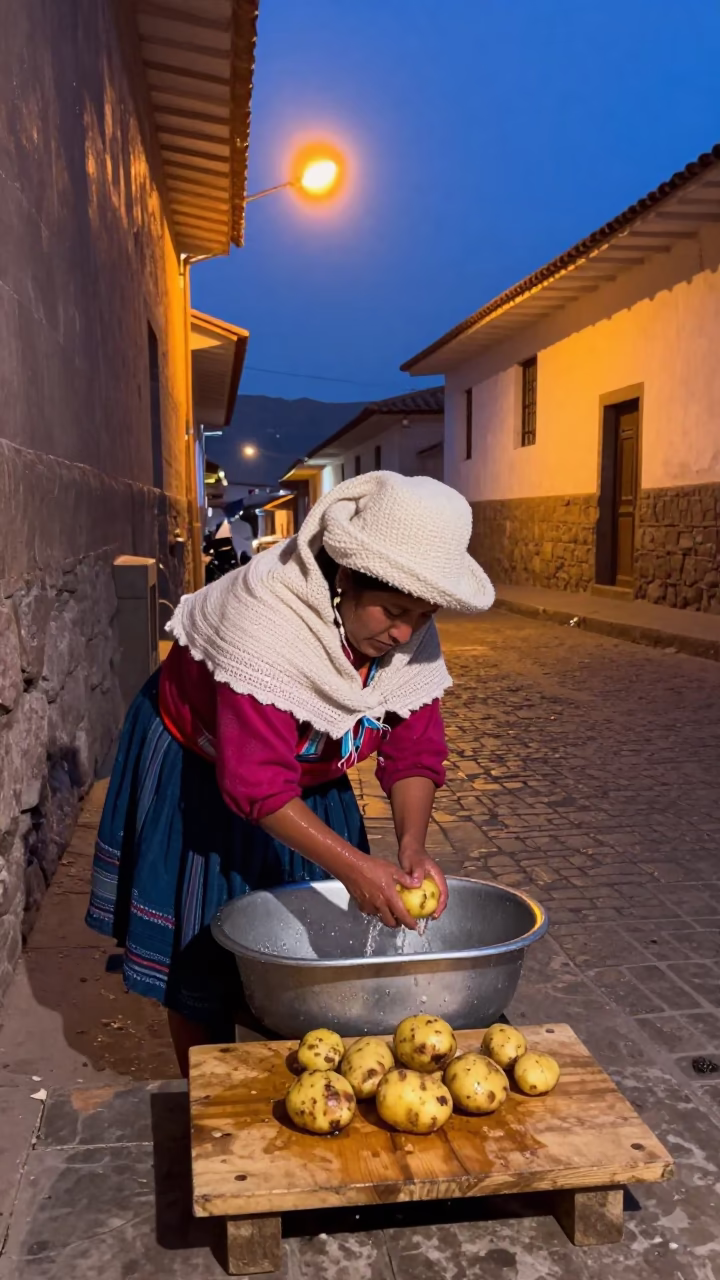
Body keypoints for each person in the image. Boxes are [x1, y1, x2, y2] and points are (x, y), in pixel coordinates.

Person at [85, 473, 494, 1075]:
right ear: (347, 577)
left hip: (303, 774)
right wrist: (355, 867)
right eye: (394, 611)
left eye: (423, 614)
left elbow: (413, 748)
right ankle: (212, 1092)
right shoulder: (268, 622)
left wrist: (409, 844)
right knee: (203, 950)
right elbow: (255, 783)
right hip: (204, 766)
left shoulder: (406, 636)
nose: (405, 632)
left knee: (321, 938)